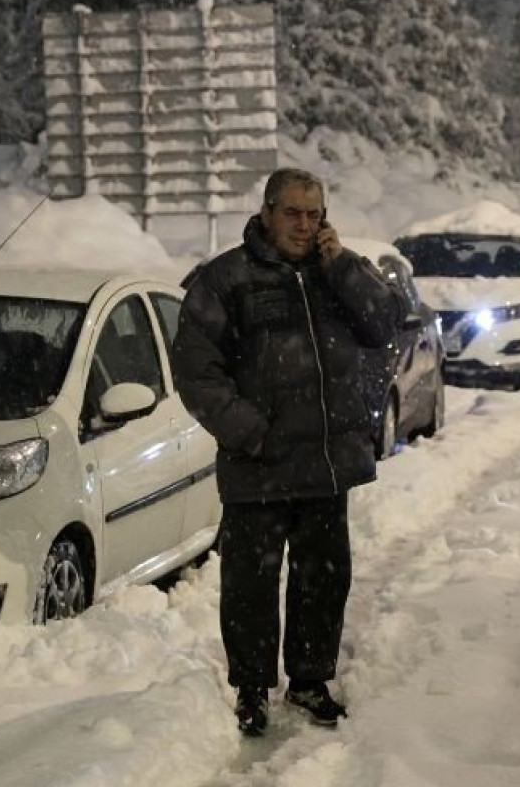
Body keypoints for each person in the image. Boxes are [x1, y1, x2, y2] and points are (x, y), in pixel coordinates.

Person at [171, 168, 404, 737]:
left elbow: (385, 323)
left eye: (315, 214)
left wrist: (343, 265)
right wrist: (252, 431)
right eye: (294, 213)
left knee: (322, 580)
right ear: (268, 213)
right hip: (260, 463)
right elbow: (197, 371)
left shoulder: (337, 272)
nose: (305, 224)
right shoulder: (225, 280)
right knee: (251, 586)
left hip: (325, 463)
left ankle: (308, 680)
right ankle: (252, 689)